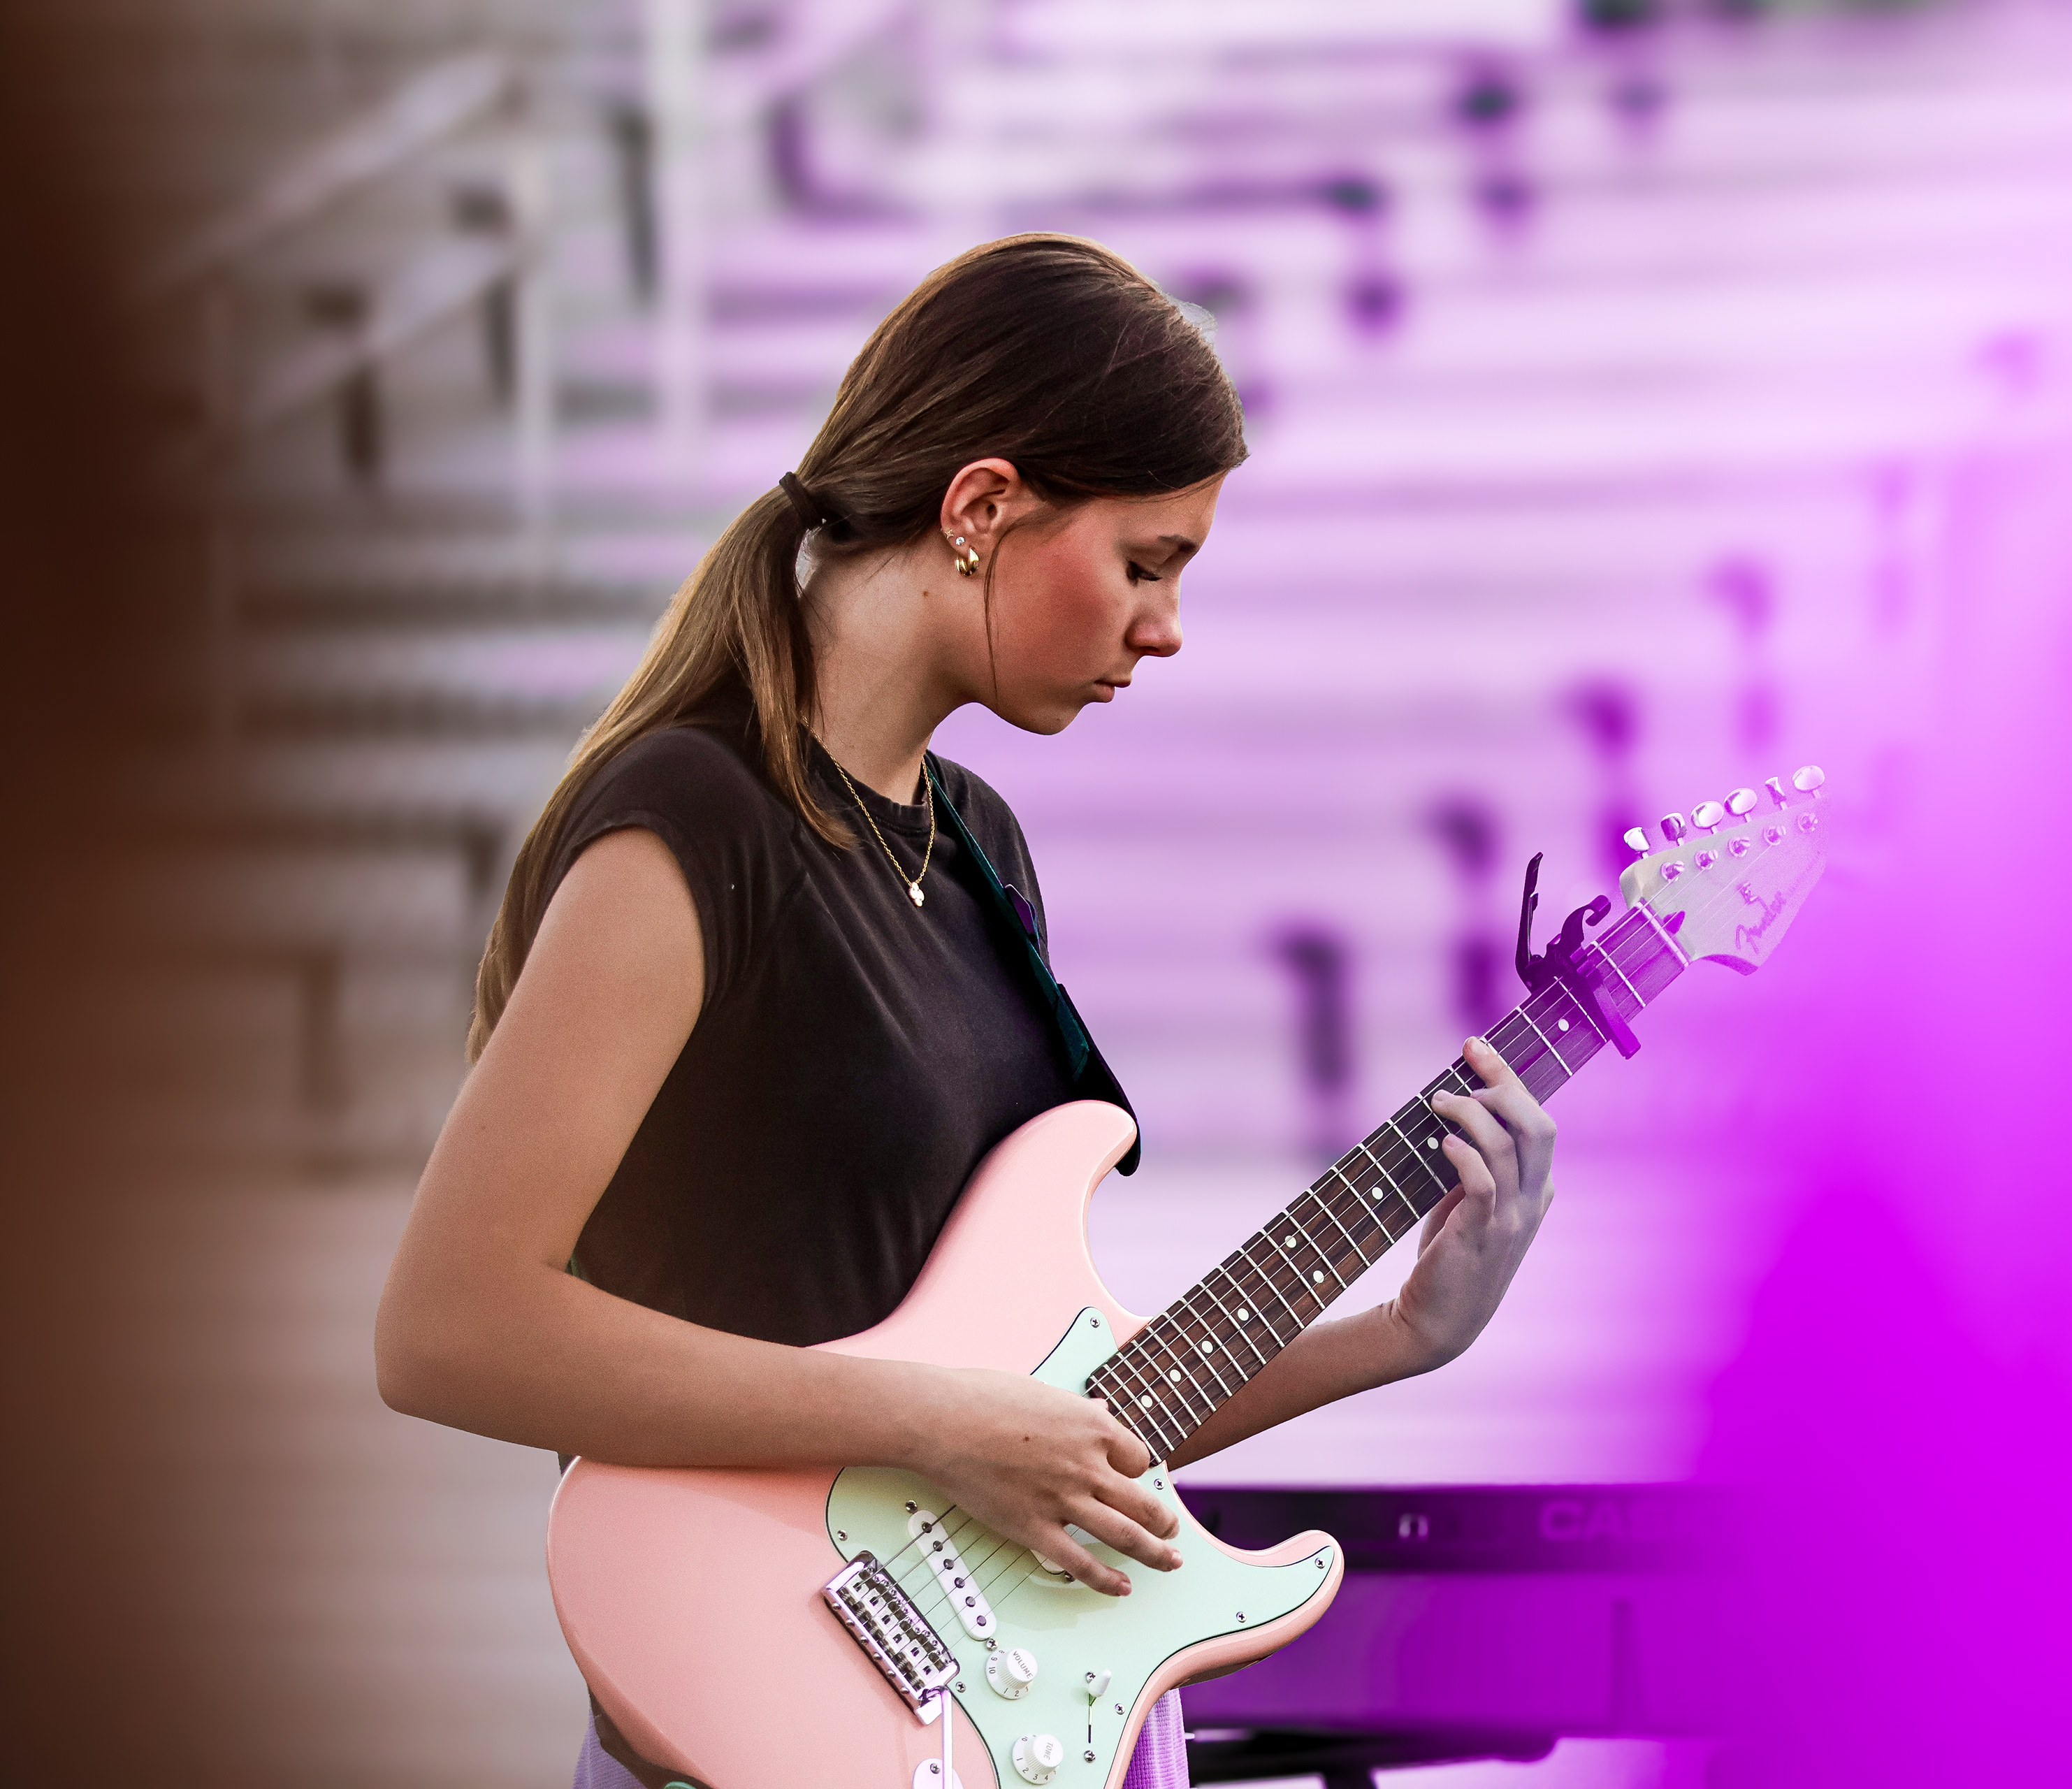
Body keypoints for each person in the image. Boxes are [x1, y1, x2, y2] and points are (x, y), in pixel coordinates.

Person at [372, 233, 1560, 1789]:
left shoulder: (978, 846)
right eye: (1148, 561)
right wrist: (937, 1423)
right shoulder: (694, 823)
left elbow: (1049, 1424)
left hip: (981, 1722)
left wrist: (1404, 1333)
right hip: (755, 1724)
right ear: (982, 508)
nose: (1167, 626)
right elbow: (449, 1327)